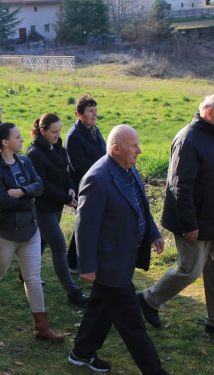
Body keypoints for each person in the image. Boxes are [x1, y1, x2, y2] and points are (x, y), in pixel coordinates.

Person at [138, 94, 214, 338]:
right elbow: (179, 187)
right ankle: (147, 300)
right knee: (190, 269)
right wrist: (189, 224)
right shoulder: (188, 139)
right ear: (210, 113)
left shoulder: (211, 135)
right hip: (193, 222)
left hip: (213, 221)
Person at [68, 125, 168, 374]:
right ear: (116, 149)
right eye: (134, 146)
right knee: (132, 322)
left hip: (124, 254)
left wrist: (153, 233)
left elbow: (139, 204)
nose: (139, 151)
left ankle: (81, 352)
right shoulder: (97, 178)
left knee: (101, 308)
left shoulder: (128, 168)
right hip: (109, 262)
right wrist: (87, 265)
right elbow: (85, 227)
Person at [0, 122, 64, 342]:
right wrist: (29, 197)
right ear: (5, 142)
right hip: (3, 232)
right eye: (18, 137)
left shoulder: (24, 161)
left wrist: (21, 191)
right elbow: (2, 201)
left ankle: (42, 327)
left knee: (33, 278)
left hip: (30, 229)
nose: (23, 140)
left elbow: (40, 186)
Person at [26, 113, 88, 305]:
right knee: (59, 246)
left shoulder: (58, 147)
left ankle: (24, 272)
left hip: (57, 204)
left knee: (44, 240)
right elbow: (42, 185)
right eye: (53, 131)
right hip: (43, 207)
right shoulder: (34, 154)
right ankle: (72, 292)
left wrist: (70, 187)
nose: (57, 134)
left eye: (59, 130)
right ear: (42, 131)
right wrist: (66, 198)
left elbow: (66, 171)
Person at [64, 93, 106, 273]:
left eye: (96, 110)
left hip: (99, 183)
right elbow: (78, 165)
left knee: (90, 222)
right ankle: (73, 262)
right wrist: (103, 167)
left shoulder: (95, 131)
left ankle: (76, 260)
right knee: (86, 222)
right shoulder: (74, 135)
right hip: (83, 186)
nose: (94, 114)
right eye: (90, 111)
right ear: (79, 114)